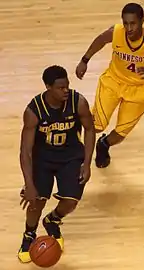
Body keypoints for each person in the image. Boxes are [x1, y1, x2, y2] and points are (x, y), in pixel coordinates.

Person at [75, 2, 144, 168]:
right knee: (96, 126)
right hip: (113, 81)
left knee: (120, 134)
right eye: (126, 23)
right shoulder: (115, 32)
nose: (129, 28)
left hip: (139, 90)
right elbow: (99, 41)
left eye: (133, 23)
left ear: (143, 21)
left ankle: (104, 144)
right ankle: (73, 140)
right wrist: (84, 60)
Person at [18, 65, 95, 263]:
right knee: (36, 201)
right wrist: (29, 185)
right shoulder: (34, 110)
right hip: (42, 159)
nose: (66, 90)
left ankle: (52, 220)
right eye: (60, 87)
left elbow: (89, 129)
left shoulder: (78, 102)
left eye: (67, 86)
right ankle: (29, 235)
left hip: (71, 157)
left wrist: (87, 163)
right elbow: (25, 151)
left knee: (71, 201)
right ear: (48, 87)